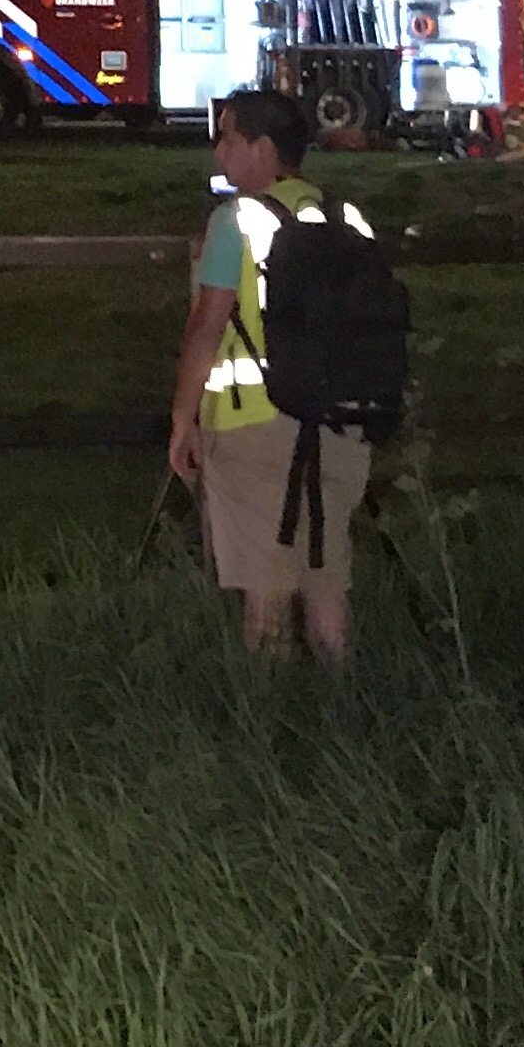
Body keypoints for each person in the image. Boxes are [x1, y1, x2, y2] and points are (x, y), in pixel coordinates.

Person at [165, 86, 374, 662]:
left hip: (255, 425)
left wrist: (183, 420)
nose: (219, 153)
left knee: (267, 586)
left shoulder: (238, 220)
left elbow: (207, 326)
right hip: (342, 421)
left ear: (262, 148)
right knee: (327, 575)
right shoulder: (347, 217)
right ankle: (344, 713)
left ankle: (266, 724)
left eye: (228, 139)